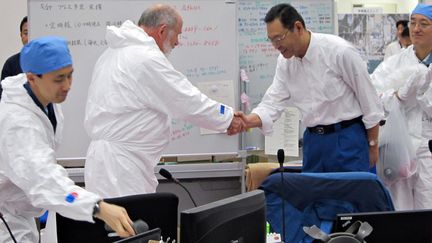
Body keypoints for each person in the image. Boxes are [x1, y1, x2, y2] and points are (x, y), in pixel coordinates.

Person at [84, 4, 245, 198]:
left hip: (112, 164)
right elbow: (186, 99)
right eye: (177, 34)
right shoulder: (145, 59)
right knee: (130, 225)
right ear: (162, 30)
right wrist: (228, 118)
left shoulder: (112, 54)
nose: (178, 42)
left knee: (116, 225)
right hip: (122, 168)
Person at [0, 36, 135, 243]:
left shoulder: (45, 100)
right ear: (32, 78)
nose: (67, 85)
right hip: (5, 214)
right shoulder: (17, 123)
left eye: (70, 76)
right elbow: (43, 179)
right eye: (58, 79)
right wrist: (97, 207)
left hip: (20, 210)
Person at [235, 3, 384, 173]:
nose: (276, 46)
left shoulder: (339, 52)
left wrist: (372, 145)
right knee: (314, 198)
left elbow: (370, 102)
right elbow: (272, 102)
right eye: (271, 40)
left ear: (297, 27)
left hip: (347, 138)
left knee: (351, 197)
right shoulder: (285, 62)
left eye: (279, 38)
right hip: (313, 142)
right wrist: (248, 120)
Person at [371, 3, 432, 210]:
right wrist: (396, 96)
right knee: (400, 210)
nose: (416, 29)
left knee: (428, 209)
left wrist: (423, 95)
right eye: (413, 23)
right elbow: (372, 96)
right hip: (398, 148)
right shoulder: (395, 62)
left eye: (424, 24)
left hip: (428, 149)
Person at [1, 16, 28, 99]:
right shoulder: (11, 63)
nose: (29, 37)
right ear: (21, 35)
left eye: (33, 33)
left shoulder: (47, 63)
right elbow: (3, 96)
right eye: (26, 33)